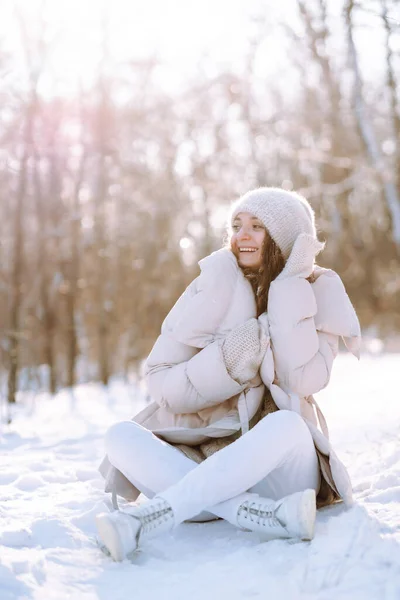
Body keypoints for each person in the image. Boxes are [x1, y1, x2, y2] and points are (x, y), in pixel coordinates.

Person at [96, 187, 361, 561]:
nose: (242, 236)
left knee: (286, 424)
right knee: (119, 435)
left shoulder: (318, 292)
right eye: (237, 225)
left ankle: (150, 518)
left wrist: (287, 288)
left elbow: (302, 380)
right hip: (201, 467)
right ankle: (259, 515)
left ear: (284, 237)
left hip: (283, 477)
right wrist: (226, 362)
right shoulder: (210, 286)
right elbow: (160, 380)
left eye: (257, 226)